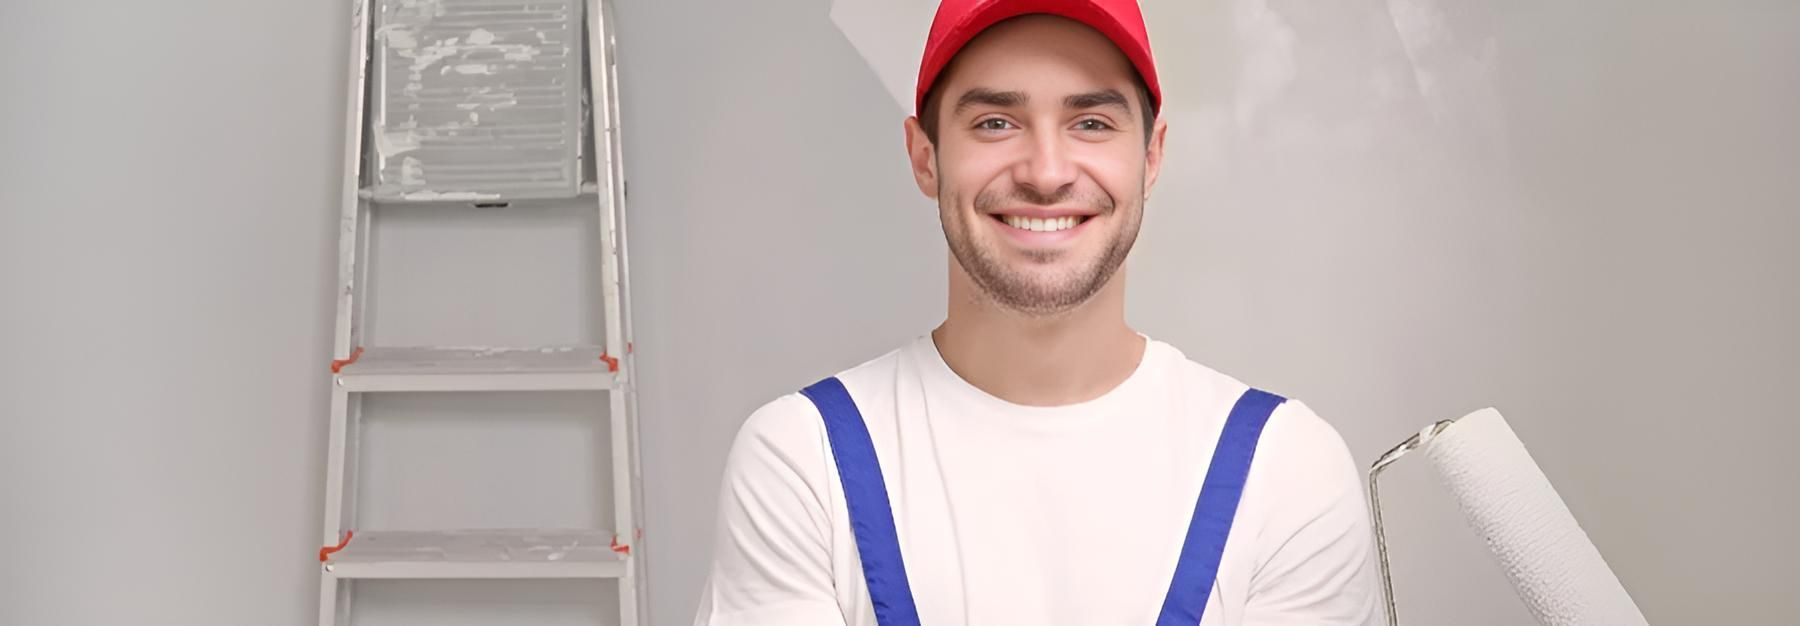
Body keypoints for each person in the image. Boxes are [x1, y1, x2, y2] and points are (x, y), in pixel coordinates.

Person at [693, 1, 1381, 624]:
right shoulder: (803, 461)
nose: (1046, 172)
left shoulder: (1284, 470)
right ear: (925, 157)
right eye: (996, 122)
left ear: (1151, 156)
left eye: (1090, 122)